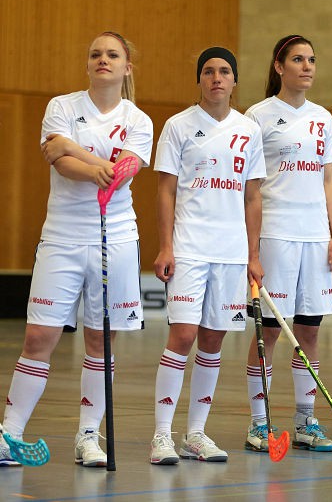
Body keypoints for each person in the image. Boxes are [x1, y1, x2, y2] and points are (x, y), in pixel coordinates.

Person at [0, 32, 152, 467]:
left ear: (127, 68)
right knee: (38, 336)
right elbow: (60, 164)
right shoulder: (62, 106)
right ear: (87, 64)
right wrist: (89, 160)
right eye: (95, 54)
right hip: (63, 237)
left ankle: (88, 436)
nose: (102, 59)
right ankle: (9, 435)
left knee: (101, 341)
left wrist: (72, 147)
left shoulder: (139, 119)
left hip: (117, 239)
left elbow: (125, 171)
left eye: (113, 55)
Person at [149, 47, 264, 465]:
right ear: (200, 79)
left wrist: (253, 254)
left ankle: (195, 433)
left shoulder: (249, 129)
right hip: (190, 248)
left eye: (225, 71)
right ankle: (162, 434)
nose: (217, 77)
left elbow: (253, 195)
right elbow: (165, 189)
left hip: (231, 253)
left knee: (213, 341)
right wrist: (165, 245)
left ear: (234, 81)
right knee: (182, 336)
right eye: (209, 71)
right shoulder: (178, 125)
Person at [243, 35, 332, 453]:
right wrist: (250, 248)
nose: (307, 66)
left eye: (312, 60)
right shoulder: (257, 116)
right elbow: (249, 186)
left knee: (309, 329)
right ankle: (259, 424)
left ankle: (305, 420)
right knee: (270, 330)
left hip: (315, 236)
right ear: (279, 66)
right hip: (276, 234)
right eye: (298, 59)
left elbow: (329, 179)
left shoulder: (323, 117)